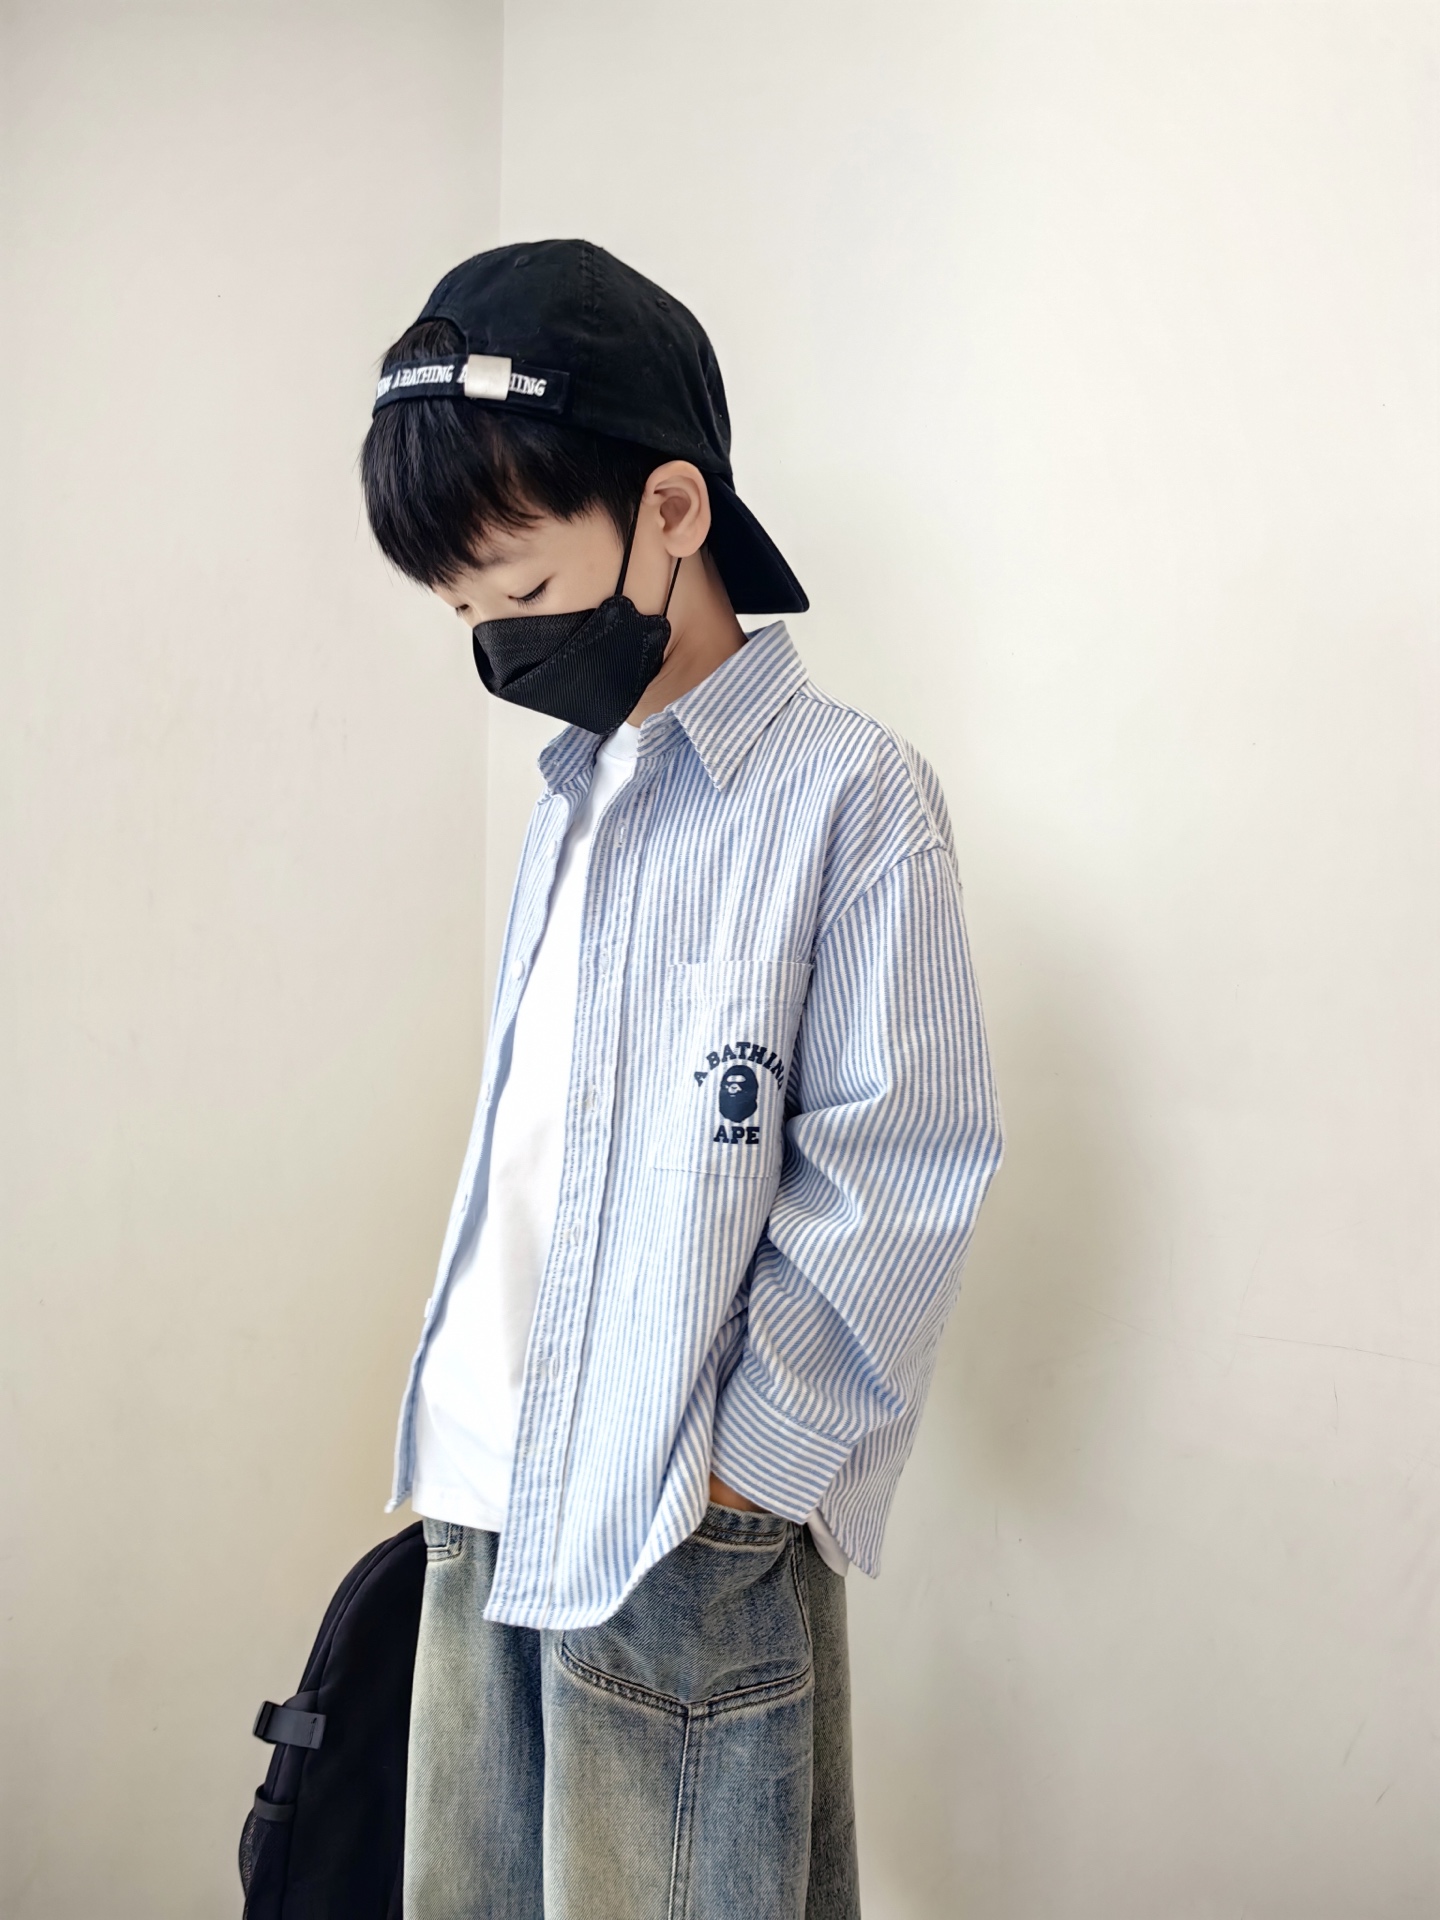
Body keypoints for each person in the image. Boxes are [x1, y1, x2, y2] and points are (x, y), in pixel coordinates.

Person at [360, 238, 1003, 1920]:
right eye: (464, 614)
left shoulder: (850, 797)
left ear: (670, 510)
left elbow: (907, 1168)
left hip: (671, 1532)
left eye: (518, 591)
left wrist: (737, 1486)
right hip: (477, 1505)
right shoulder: (573, 796)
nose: (496, 647)